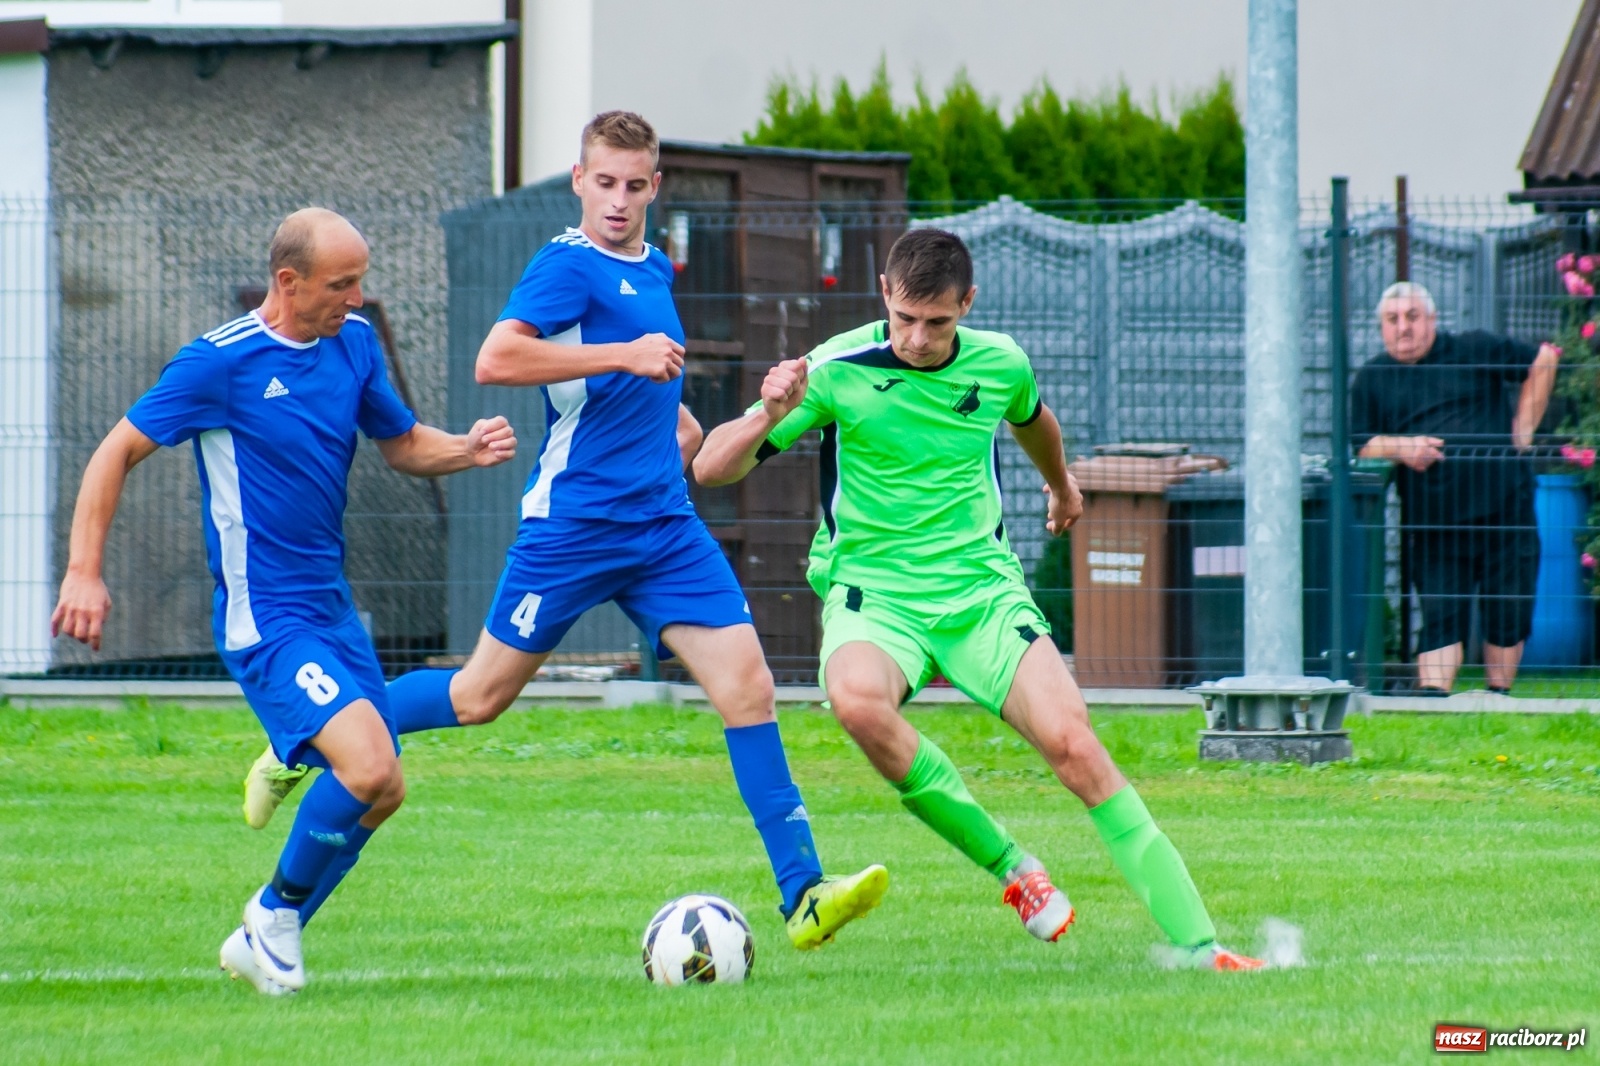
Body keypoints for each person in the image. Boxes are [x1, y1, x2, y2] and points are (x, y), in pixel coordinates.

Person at [243, 111, 888, 950]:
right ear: (580, 181)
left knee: (749, 687)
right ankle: (303, 741)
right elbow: (497, 359)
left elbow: (642, 377)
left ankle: (803, 894)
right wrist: (623, 359)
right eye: (604, 182)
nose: (618, 200)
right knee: (479, 697)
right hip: (574, 526)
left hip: (662, 528)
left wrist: (679, 422)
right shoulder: (565, 266)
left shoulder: (653, 267)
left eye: (635, 185)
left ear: (655, 188)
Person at [691, 228, 1264, 971]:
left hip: (982, 593)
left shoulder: (1001, 364)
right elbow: (709, 469)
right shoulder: (833, 370)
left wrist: (1062, 487)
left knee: (1074, 744)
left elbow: (1033, 420)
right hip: (877, 596)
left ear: (968, 304)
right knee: (857, 703)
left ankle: (1200, 946)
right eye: (904, 320)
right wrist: (769, 411)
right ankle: (1014, 870)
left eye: (938, 323)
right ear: (885, 297)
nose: (919, 339)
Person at [51, 208, 520, 995]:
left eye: (362, 281)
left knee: (385, 786)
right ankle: (272, 915)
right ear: (287, 282)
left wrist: (466, 450)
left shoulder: (354, 344)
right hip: (265, 619)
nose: (357, 297)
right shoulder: (219, 363)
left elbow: (400, 443)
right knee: (369, 765)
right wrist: (82, 570)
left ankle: (269, 928)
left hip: (331, 609)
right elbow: (115, 450)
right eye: (342, 284)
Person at [1351, 281, 1560, 695]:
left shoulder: (1473, 348)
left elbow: (1545, 358)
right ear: (1381, 328)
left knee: (1509, 609)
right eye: (1393, 320)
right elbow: (1360, 443)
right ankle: (1434, 698)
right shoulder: (1373, 378)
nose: (1404, 328)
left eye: (1413, 317)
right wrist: (1403, 447)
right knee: (1442, 614)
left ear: (1432, 320)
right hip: (1434, 522)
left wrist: (1523, 430)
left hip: (1505, 511)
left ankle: (1498, 696)